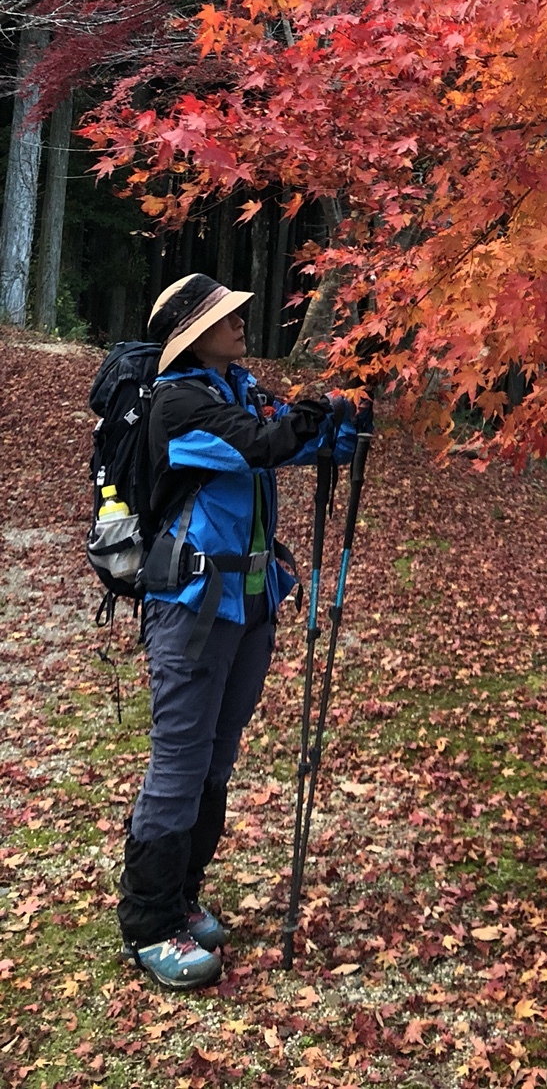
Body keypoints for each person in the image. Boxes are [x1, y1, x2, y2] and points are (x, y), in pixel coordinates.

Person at [117, 272, 359, 990]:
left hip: (248, 605)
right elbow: (259, 447)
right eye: (225, 317)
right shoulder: (180, 402)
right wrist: (307, 423)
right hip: (192, 607)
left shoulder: (240, 389)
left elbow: (299, 445)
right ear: (193, 331)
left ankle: (184, 898)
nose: (240, 323)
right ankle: (148, 924)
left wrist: (343, 422)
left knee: (216, 760)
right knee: (180, 765)